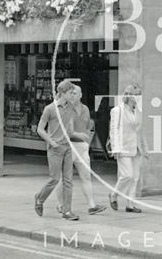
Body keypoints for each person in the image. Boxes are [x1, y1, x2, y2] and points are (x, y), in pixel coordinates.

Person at [54, 85, 107, 215]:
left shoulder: (85, 109)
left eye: (75, 93)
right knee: (64, 178)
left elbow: (88, 126)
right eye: (71, 93)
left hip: (82, 147)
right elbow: (65, 131)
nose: (73, 95)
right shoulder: (65, 109)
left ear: (81, 95)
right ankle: (60, 205)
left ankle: (92, 205)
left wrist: (87, 141)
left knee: (86, 177)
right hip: (68, 146)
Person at [34, 80, 80, 221]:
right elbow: (40, 129)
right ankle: (39, 198)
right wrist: (52, 143)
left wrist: (72, 135)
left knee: (68, 181)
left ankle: (67, 211)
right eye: (70, 93)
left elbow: (70, 126)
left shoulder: (71, 107)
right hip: (55, 149)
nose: (73, 95)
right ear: (62, 93)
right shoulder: (50, 109)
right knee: (54, 179)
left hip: (67, 147)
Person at [108, 84, 148, 213]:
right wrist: (115, 148)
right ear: (129, 96)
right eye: (136, 95)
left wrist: (145, 149)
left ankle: (130, 204)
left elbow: (140, 132)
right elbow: (113, 131)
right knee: (127, 175)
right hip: (123, 148)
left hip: (137, 148)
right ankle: (113, 194)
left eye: (139, 95)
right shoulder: (117, 110)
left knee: (135, 177)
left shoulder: (139, 112)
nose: (138, 97)